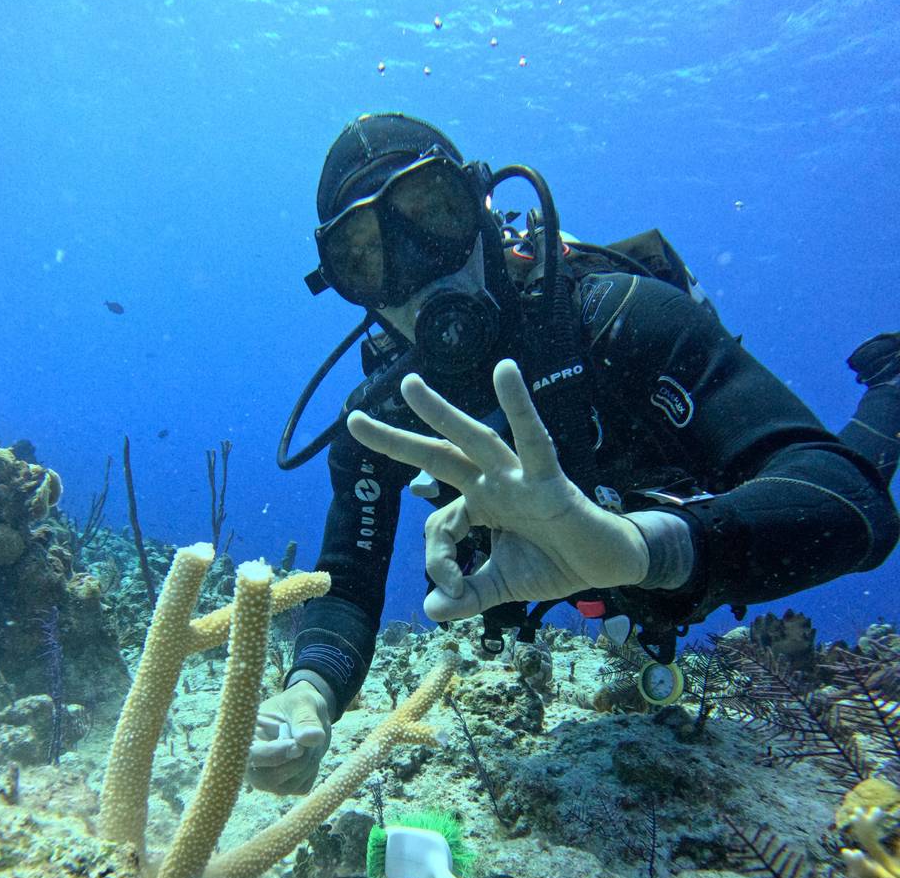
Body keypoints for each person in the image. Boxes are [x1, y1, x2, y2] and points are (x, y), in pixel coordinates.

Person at [248, 112, 900, 796]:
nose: (414, 271)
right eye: (367, 256)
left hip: (690, 531)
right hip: (601, 570)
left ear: (480, 207)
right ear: (344, 284)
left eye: (431, 214)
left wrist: (647, 549)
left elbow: (847, 502)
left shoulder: (621, 318)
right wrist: (309, 692)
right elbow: (347, 581)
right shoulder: (382, 422)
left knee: (864, 468)